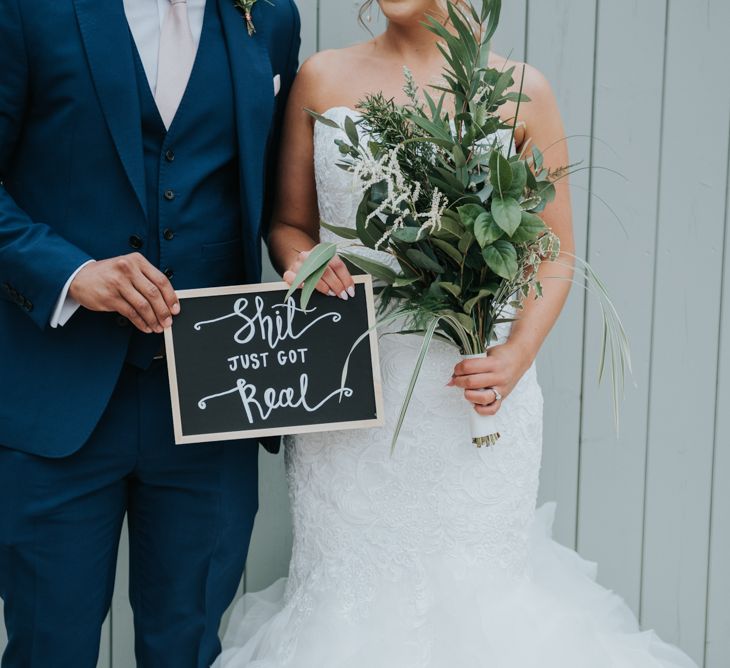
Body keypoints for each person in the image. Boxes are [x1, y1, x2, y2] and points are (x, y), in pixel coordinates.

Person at [214, 1, 698, 666]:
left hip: (472, 399)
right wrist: (302, 260)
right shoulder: (322, 79)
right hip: (353, 394)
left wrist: (515, 356)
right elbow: (288, 223)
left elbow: (556, 252)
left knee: (477, 606)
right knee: (346, 605)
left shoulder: (525, 92)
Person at [0, 0, 299, 665]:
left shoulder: (271, 18)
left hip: (211, 404)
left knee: (188, 648)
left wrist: (303, 261)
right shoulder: (27, 11)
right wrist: (71, 273)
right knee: (50, 650)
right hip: (58, 403)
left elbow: (278, 194)